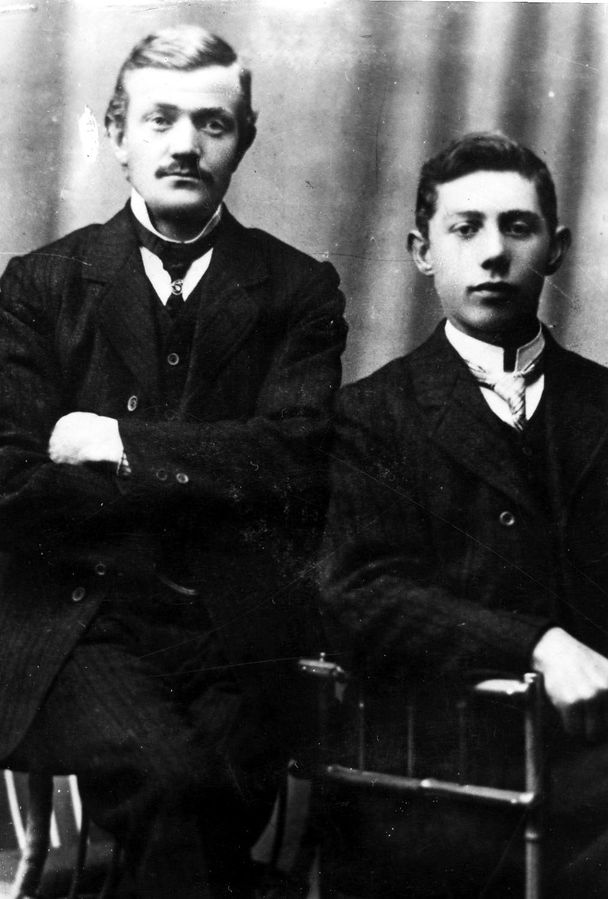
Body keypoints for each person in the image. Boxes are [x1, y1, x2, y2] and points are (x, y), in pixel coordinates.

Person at [0, 24, 346, 899]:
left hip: (237, 628)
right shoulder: (40, 284)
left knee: (209, 802)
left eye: (212, 123)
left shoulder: (298, 289)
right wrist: (208, 479)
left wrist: (114, 446)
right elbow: (11, 483)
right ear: (117, 134)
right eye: (160, 119)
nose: (186, 144)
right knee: (180, 786)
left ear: (245, 140)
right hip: (80, 621)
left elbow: (295, 465)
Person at [321, 132, 608, 896]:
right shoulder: (372, 415)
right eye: (465, 227)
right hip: (436, 772)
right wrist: (537, 643)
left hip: (591, 759)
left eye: (517, 227)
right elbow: (363, 596)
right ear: (423, 251)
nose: (493, 253)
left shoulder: (602, 404)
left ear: (555, 249)